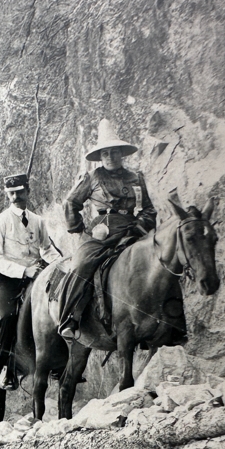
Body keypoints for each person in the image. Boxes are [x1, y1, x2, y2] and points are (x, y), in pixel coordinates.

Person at [57, 121, 157, 340]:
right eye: (105, 154)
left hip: (131, 231)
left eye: (114, 152)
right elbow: (71, 203)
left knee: (159, 260)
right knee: (83, 264)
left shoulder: (136, 178)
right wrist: (81, 229)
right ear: (100, 157)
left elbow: (148, 209)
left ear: (121, 154)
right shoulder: (93, 178)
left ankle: (166, 321)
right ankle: (71, 318)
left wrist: (139, 227)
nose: (110, 157)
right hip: (100, 233)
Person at [0, 174, 62, 389]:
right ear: (7, 195)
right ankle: (7, 366)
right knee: (8, 316)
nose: (16, 196)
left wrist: (60, 264)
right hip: (10, 278)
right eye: (11, 193)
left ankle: (58, 362)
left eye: (20, 192)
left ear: (28, 192)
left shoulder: (38, 221)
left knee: (58, 305)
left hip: (38, 274)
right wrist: (23, 271)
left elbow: (46, 249)